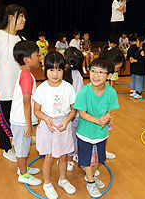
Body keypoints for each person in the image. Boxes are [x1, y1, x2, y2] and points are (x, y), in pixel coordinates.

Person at [0, 4, 26, 162]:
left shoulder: (21, 39)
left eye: (24, 17)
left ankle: (18, 138)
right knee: (3, 119)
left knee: (18, 117)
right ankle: (6, 148)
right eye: (20, 16)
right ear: (10, 17)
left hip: (19, 89)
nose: (24, 20)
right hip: (4, 90)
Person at [33, 52, 77, 199]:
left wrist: (67, 121)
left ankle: (63, 179)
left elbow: (74, 109)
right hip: (48, 126)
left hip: (64, 125)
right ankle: (47, 183)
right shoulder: (41, 88)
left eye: (59, 70)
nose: (55, 74)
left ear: (64, 70)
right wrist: (46, 119)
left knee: (64, 155)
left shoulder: (68, 87)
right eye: (51, 69)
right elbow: (37, 110)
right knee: (49, 157)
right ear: (45, 69)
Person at [74, 58, 119, 198]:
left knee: (99, 159)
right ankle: (91, 182)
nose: (95, 75)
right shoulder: (84, 92)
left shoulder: (111, 92)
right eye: (93, 71)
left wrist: (108, 118)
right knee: (87, 160)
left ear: (109, 76)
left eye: (101, 72)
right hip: (85, 133)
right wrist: (98, 120)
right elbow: (82, 113)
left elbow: (109, 110)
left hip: (101, 133)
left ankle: (90, 176)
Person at [10, 40, 42, 185]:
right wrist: (29, 125)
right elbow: (26, 102)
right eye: (37, 54)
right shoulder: (27, 77)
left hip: (21, 119)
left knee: (23, 145)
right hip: (22, 121)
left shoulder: (24, 73)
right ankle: (23, 174)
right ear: (27, 59)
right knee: (22, 148)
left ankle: (23, 168)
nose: (40, 57)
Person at [64, 47, 84, 171]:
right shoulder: (79, 75)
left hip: (68, 114)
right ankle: (76, 157)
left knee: (69, 138)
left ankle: (70, 160)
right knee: (77, 137)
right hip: (77, 114)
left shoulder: (65, 74)